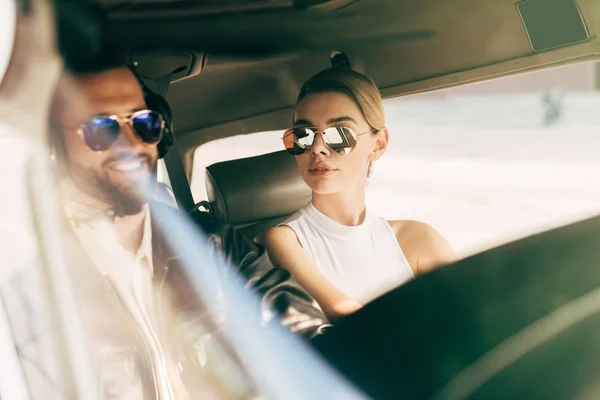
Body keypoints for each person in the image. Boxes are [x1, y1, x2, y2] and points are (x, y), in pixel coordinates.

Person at [264, 68, 457, 320]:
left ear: (378, 144)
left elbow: (475, 314)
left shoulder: (420, 239)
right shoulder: (284, 241)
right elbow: (348, 317)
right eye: (303, 136)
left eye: (340, 135)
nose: (318, 148)